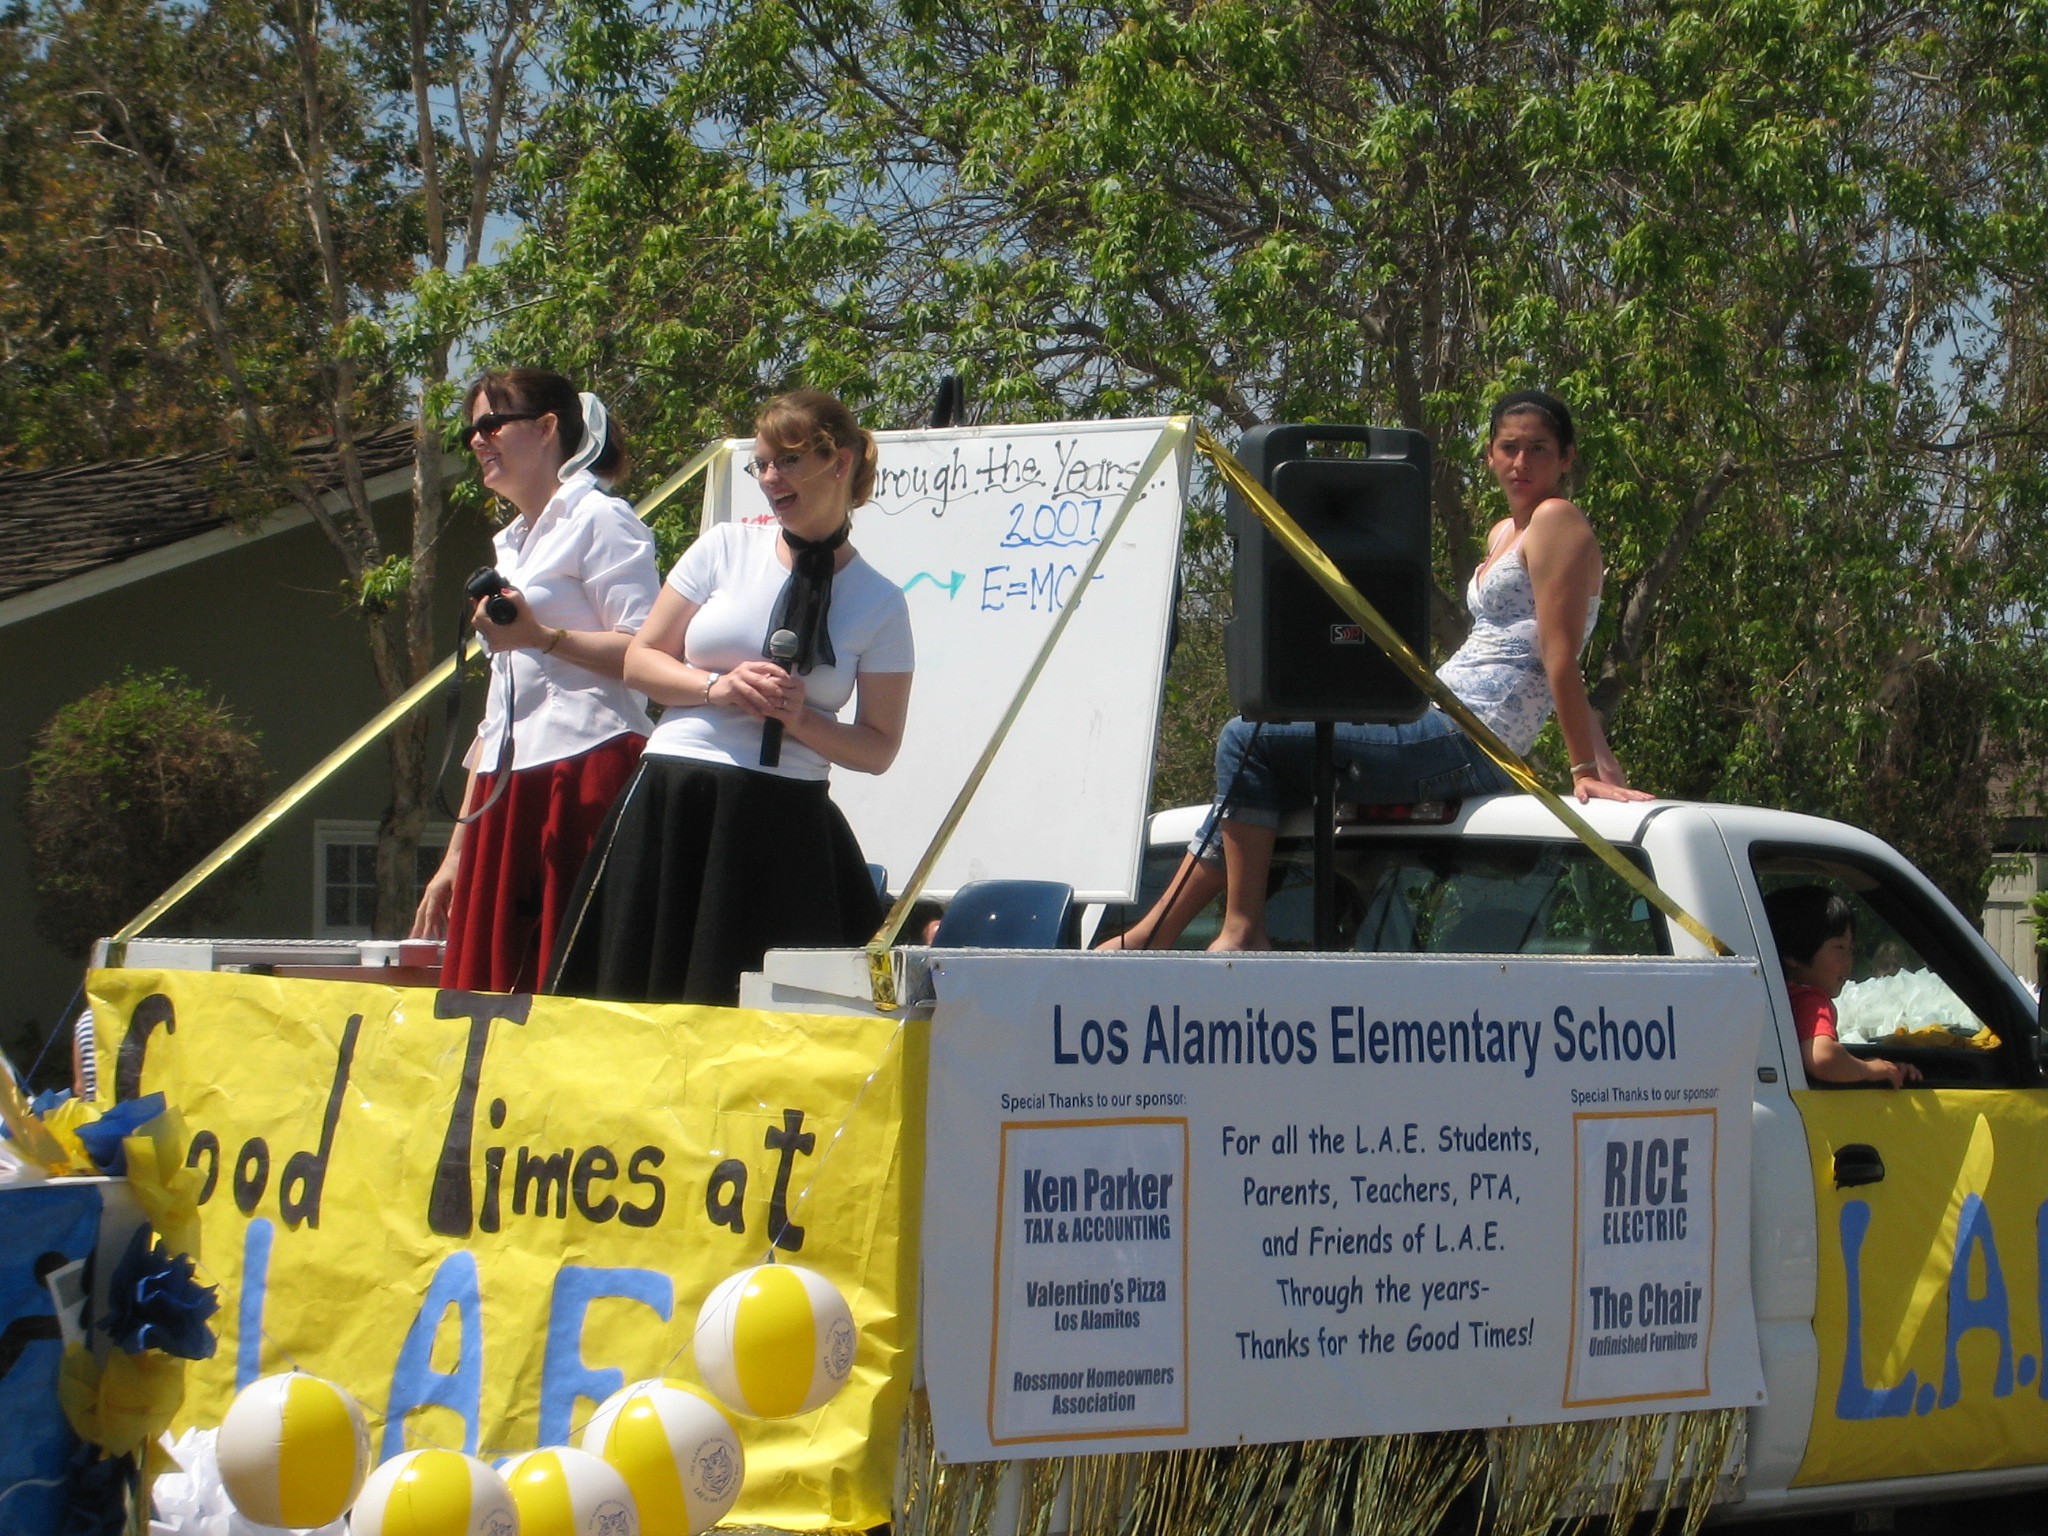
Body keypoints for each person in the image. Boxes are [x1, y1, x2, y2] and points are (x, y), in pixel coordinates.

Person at [1105, 389, 1651, 952]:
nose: (1521, 463)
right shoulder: (1503, 531)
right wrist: (1600, 744)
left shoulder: (1557, 520)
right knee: (1258, 757)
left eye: (1538, 450)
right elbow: (1534, 646)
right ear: (1488, 455)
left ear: (1566, 458)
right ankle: (1163, 931)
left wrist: (1581, 766)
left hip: (1472, 741)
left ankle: (1232, 930)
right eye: (1509, 448)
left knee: (1247, 739)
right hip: (1438, 716)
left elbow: (1560, 656)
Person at [547, 390, 914, 1005]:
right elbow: (641, 659)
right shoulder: (724, 547)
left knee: (756, 1003)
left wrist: (797, 715)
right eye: (762, 464)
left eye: (787, 461)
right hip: (676, 798)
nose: (771, 479)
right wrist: (718, 687)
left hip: (780, 818)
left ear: (840, 463)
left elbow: (877, 748)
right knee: (634, 987)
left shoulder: (879, 601)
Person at [411, 370, 662, 993]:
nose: (477, 440)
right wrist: (455, 854)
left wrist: (541, 637)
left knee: (574, 976)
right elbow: (500, 714)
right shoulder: (513, 544)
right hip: (507, 786)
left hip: (589, 767)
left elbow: (648, 653)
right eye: (471, 430)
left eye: (491, 424)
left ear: (548, 427)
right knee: (494, 985)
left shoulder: (602, 519)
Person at [1762, 885, 1922, 1088]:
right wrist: (1870, 1070)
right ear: (1792, 954)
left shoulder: (1777, 998)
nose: (1849, 961)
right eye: (1839, 948)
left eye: (1851, 950)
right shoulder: (1810, 1000)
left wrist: (1884, 1068)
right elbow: (1823, 1058)